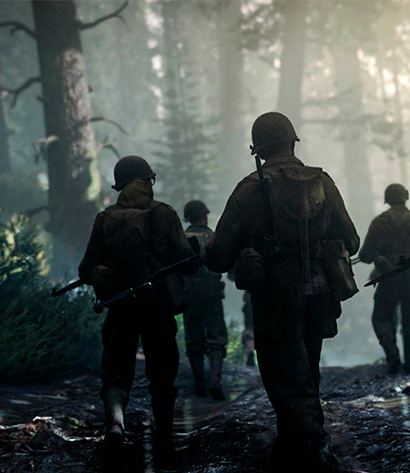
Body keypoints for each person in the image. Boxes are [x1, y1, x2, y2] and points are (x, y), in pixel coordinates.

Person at [204, 111, 359, 473]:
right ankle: (294, 447)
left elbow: (220, 254)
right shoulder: (323, 183)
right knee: (306, 367)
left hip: (276, 294)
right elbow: (351, 240)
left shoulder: (250, 188)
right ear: (292, 141)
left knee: (285, 373)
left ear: (258, 149)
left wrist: (209, 251)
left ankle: (315, 453)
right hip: (320, 291)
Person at [78, 155, 195, 471]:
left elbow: (86, 269)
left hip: (120, 305)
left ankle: (115, 425)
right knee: (162, 374)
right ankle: (165, 441)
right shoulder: (165, 215)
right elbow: (186, 260)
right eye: (149, 179)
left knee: (116, 372)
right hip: (157, 306)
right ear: (144, 181)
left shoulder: (106, 219)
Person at [358, 184, 410, 374]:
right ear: (405, 197)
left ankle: (393, 358)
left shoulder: (379, 222)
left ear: (388, 199)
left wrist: (380, 256)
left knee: (382, 319)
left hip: (387, 278)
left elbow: (365, 255)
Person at [182, 200, 227, 400]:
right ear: (204, 216)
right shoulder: (213, 237)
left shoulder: (181, 238)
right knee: (216, 338)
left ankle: (199, 384)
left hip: (189, 294)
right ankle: (215, 382)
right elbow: (224, 262)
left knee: (194, 340)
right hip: (212, 293)